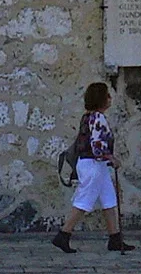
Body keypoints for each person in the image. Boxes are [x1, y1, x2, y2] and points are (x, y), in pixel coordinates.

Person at [52, 81, 136, 253]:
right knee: (84, 200)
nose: (110, 99)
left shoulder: (87, 117)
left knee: (109, 199)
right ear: (101, 99)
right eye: (107, 96)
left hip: (92, 165)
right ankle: (63, 234)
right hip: (94, 165)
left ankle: (115, 238)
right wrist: (111, 158)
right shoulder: (98, 118)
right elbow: (97, 146)